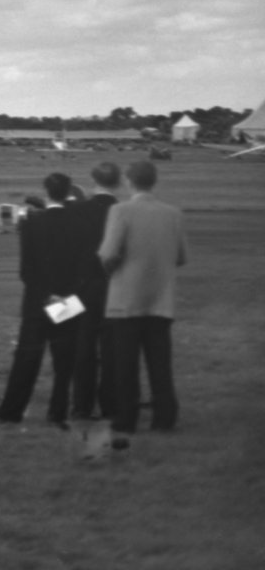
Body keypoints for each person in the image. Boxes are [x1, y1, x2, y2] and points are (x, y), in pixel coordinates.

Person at [0, 172, 94, 427]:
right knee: (64, 361)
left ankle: (11, 411)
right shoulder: (81, 225)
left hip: (37, 300)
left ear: (46, 192)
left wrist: (44, 295)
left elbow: (26, 271)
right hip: (67, 298)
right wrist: (62, 295)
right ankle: (57, 412)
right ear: (69, 192)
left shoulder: (31, 224)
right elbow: (84, 269)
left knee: (27, 358)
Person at [98, 158, 187, 439]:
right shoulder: (173, 214)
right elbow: (181, 257)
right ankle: (165, 417)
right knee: (160, 365)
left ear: (129, 181)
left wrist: (112, 270)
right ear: (154, 180)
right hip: (161, 300)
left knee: (126, 365)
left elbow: (108, 253)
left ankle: (126, 418)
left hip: (126, 300)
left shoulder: (120, 210)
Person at [70, 160, 121, 421]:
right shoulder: (123, 211)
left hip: (84, 288)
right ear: (119, 182)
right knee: (112, 351)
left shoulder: (79, 210)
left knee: (84, 349)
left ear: (93, 181)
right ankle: (110, 406)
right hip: (116, 288)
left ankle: (81, 406)